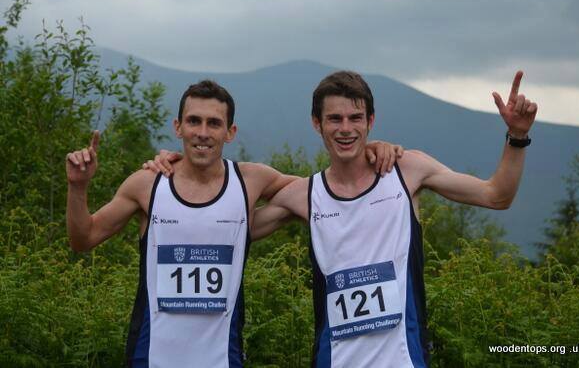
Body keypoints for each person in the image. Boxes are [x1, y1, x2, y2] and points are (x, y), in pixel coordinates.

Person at [66, 79, 401, 368]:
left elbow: (327, 192)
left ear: (230, 132)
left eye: (214, 123)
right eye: (193, 121)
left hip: (223, 359)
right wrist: (78, 187)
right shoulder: (147, 184)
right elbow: (84, 238)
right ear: (177, 127)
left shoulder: (250, 181)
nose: (202, 133)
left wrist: (366, 151)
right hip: (151, 358)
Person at [249, 70, 538, 367]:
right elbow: (233, 230)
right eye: (335, 119)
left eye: (355, 118)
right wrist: (247, 177)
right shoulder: (305, 195)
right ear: (316, 124)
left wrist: (517, 136)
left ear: (370, 121)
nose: (345, 128)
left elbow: (497, 195)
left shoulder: (405, 171)